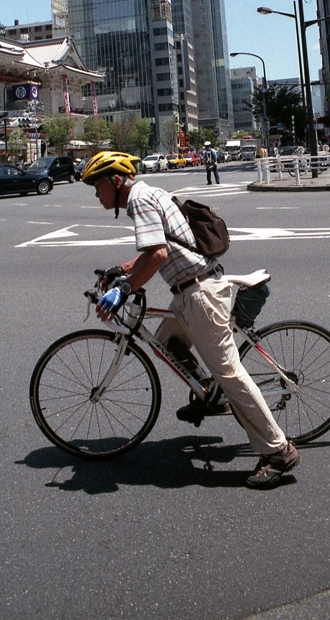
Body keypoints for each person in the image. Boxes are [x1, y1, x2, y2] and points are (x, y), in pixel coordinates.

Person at [81, 150, 300, 489]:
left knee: (230, 375)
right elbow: (158, 246)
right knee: (167, 341)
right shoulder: (148, 193)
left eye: (97, 186)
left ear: (115, 180)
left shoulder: (138, 201)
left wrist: (122, 292)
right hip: (191, 292)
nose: (96, 194)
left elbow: (158, 254)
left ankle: (278, 451)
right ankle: (206, 392)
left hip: (200, 296)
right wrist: (122, 272)